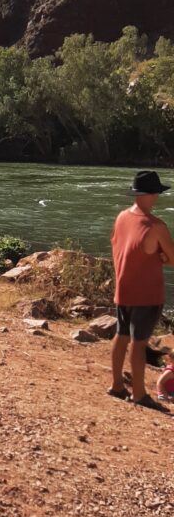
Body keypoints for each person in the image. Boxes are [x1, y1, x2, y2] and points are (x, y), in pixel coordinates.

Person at [110, 169, 174, 407]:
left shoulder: (122, 217)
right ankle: (139, 393)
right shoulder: (156, 226)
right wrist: (161, 258)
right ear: (153, 194)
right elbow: (173, 258)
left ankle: (116, 384)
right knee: (139, 343)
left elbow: (118, 248)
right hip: (147, 294)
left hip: (123, 288)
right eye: (156, 192)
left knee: (121, 335)